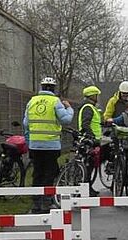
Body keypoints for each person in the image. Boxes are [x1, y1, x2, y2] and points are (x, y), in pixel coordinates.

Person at [23, 76, 74, 213]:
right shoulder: (55, 101)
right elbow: (66, 120)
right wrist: (69, 108)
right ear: (53, 89)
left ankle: (36, 203)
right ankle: (47, 202)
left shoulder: (32, 101)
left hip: (35, 145)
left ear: (41, 87)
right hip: (51, 145)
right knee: (49, 173)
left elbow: (26, 124)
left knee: (37, 173)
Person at [77, 85, 103, 197]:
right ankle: (86, 189)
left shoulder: (89, 107)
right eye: (97, 95)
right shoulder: (88, 107)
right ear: (93, 95)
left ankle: (88, 187)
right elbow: (85, 124)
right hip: (90, 141)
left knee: (90, 165)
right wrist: (92, 136)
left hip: (91, 140)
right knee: (89, 165)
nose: (98, 97)